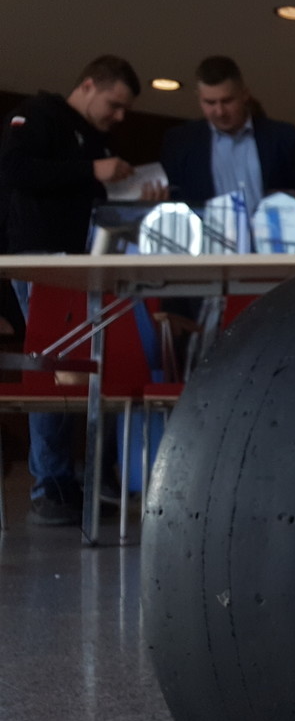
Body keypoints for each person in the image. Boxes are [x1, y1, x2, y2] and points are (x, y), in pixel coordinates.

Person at [0, 55, 155, 525]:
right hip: (40, 259)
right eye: (114, 104)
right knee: (54, 370)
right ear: (88, 85)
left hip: (83, 263)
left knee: (84, 368)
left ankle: (81, 478)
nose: (119, 116)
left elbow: (88, 195)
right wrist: (92, 171)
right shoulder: (38, 116)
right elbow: (14, 169)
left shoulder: (94, 139)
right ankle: (50, 484)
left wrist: (134, 193)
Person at [160, 56, 295, 232]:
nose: (219, 111)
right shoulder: (181, 142)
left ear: (245, 94)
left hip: (274, 244)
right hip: (206, 246)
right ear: (199, 98)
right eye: (210, 103)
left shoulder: (282, 137)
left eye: (227, 101)